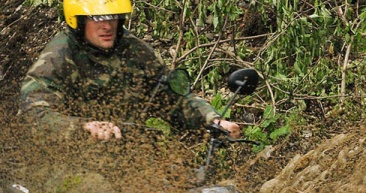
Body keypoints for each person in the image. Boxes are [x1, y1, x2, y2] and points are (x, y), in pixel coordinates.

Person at [19, 0, 241, 141]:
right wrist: (83, 127)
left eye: (112, 17)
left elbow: (170, 96)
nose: (107, 26)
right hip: (68, 164)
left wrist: (213, 120)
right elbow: (34, 113)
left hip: (126, 155)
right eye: (97, 18)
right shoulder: (59, 55)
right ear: (78, 21)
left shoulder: (134, 50)